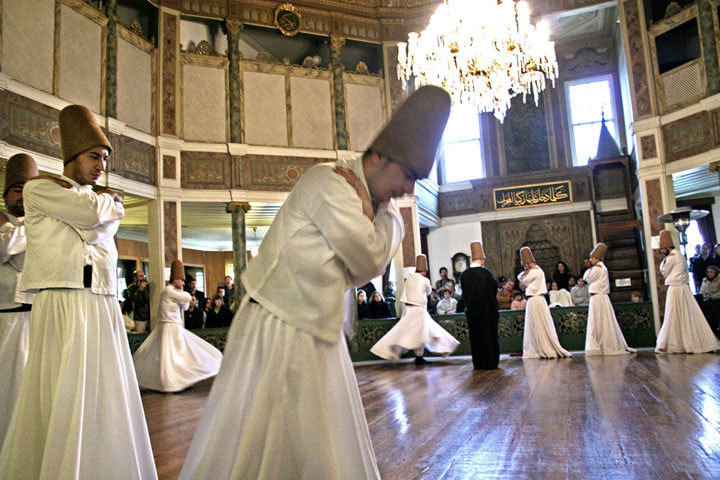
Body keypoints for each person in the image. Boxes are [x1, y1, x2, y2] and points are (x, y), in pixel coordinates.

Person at [179, 85, 451, 480]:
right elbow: (367, 257)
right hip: (275, 325)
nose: (407, 191)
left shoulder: (375, 204)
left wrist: (376, 211)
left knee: (314, 444)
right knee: (257, 442)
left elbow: (367, 265)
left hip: (314, 331)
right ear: (378, 156)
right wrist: (380, 217)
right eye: (407, 175)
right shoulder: (329, 181)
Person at [0, 105, 156, 478]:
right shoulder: (39, 189)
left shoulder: (92, 198)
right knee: (60, 388)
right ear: (72, 156)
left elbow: (94, 228)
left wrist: (100, 210)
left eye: (104, 158)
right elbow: (90, 220)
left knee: (103, 387)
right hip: (62, 298)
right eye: (94, 156)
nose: (101, 165)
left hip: (99, 299)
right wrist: (108, 206)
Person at [133, 259, 223, 393]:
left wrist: (185, 296)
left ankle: (180, 380)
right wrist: (186, 295)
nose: (183, 283)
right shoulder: (168, 291)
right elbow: (187, 299)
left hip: (175, 326)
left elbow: (186, 306)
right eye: (181, 280)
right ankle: (170, 382)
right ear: (175, 280)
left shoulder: (174, 292)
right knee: (169, 356)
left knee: (179, 354)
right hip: (168, 327)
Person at [0, 153, 37, 446]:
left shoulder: (43, 225)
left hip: (37, 319)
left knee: (33, 389)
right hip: (6, 319)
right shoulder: (33, 227)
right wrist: (26, 233)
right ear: (6, 195)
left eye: (28, 189)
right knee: (7, 389)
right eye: (17, 189)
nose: (23, 196)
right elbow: (4, 249)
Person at [370, 254, 459, 365]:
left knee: (412, 332)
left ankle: (416, 356)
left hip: (409, 309)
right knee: (426, 332)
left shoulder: (409, 279)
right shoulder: (425, 280)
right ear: (425, 271)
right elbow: (428, 292)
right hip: (419, 309)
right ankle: (443, 348)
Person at [656, 230, 720, 353]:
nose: (662, 252)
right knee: (684, 313)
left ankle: (678, 343)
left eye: (663, 249)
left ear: (667, 248)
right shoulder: (679, 255)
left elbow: (664, 271)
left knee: (674, 314)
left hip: (676, 288)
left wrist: (664, 262)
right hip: (682, 288)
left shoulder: (672, 257)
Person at [517, 247, 571, 359]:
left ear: (527, 264)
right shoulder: (537, 271)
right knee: (535, 324)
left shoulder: (535, 272)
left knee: (539, 323)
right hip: (534, 300)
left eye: (525, 265)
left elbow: (522, 279)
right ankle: (537, 346)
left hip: (536, 300)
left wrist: (524, 273)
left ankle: (544, 347)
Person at [583, 243, 636, 356]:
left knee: (601, 321)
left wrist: (589, 270)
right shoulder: (599, 268)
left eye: (592, 258)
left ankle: (603, 344)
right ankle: (600, 344)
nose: (590, 260)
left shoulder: (598, 269)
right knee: (598, 322)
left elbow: (587, 278)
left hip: (599, 297)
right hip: (597, 297)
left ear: (596, 258)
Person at [460, 241, 500, 369]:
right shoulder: (485, 273)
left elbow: (464, 293)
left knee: (476, 337)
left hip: (472, 311)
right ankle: (490, 362)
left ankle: (478, 363)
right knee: (489, 336)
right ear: (482, 259)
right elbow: (494, 287)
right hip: (488, 311)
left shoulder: (465, 274)